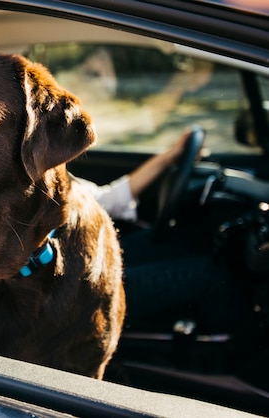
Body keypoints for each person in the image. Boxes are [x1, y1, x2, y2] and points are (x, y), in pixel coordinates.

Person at [80, 132, 248, 333]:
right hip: (79, 286)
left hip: (93, 255)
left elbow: (106, 200)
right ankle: (242, 346)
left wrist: (170, 156)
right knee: (210, 275)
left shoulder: (55, 172)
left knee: (192, 240)